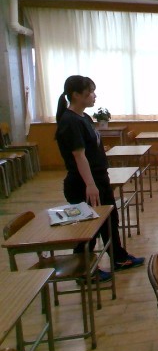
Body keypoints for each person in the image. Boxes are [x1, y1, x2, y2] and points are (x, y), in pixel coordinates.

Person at [55, 75, 144, 281]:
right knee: (89, 229)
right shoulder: (70, 121)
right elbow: (79, 156)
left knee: (110, 221)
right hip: (84, 183)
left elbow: (90, 148)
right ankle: (83, 271)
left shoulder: (84, 117)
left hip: (98, 178)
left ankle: (118, 258)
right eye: (90, 92)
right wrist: (90, 184)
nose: (94, 96)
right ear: (76, 95)